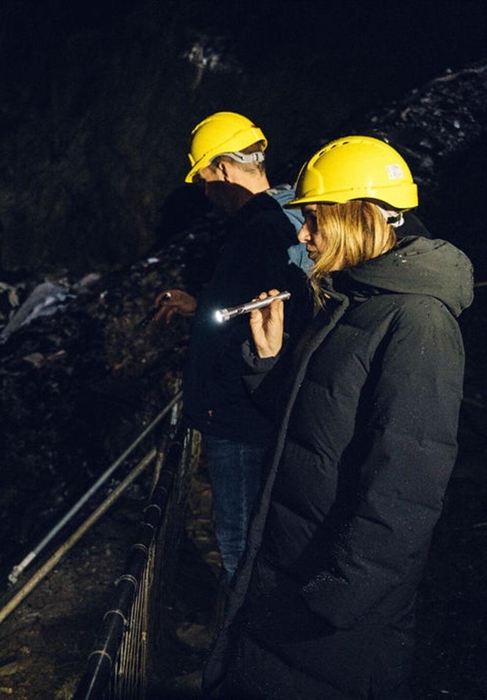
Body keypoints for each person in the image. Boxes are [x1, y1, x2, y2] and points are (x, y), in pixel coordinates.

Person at [203, 136, 474, 698]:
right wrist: (271, 363)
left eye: (315, 221)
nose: (303, 236)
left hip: (330, 627)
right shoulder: (352, 303)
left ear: (359, 217)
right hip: (288, 579)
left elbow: (405, 491)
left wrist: (329, 601)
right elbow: (311, 429)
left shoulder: (417, 322)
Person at [155, 111, 311, 584]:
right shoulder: (285, 215)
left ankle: (238, 647)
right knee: (256, 540)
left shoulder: (265, 229)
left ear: (223, 168)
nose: (205, 191)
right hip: (251, 408)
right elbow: (254, 306)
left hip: (242, 416)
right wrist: (199, 304)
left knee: (241, 545)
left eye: (204, 178)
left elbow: (283, 315)